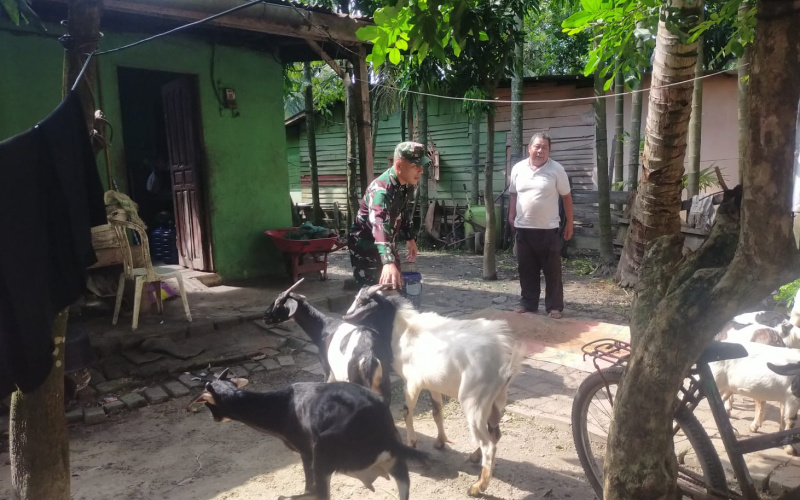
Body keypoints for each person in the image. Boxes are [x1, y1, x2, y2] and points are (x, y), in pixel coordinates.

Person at [509, 132, 573, 319]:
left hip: (549, 229)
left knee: (552, 270)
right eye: (537, 146)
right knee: (526, 269)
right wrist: (511, 215)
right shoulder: (518, 169)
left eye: (545, 147)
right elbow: (513, 193)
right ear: (529, 148)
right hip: (524, 228)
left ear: (549, 151)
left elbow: (566, 197)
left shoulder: (557, 170)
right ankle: (528, 304)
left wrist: (570, 222)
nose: (540, 150)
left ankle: (554, 307)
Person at [348, 141, 428, 288]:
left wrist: (409, 238)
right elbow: (379, 224)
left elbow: (401, 211)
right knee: (373, 294)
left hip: (387, 243)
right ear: (398, 166)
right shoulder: (381, 191)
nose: (420, 170)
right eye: (415, 166)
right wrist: (388, 261)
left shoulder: (406, 185)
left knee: (394, 286)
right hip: (366, 245)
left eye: (421, 165)